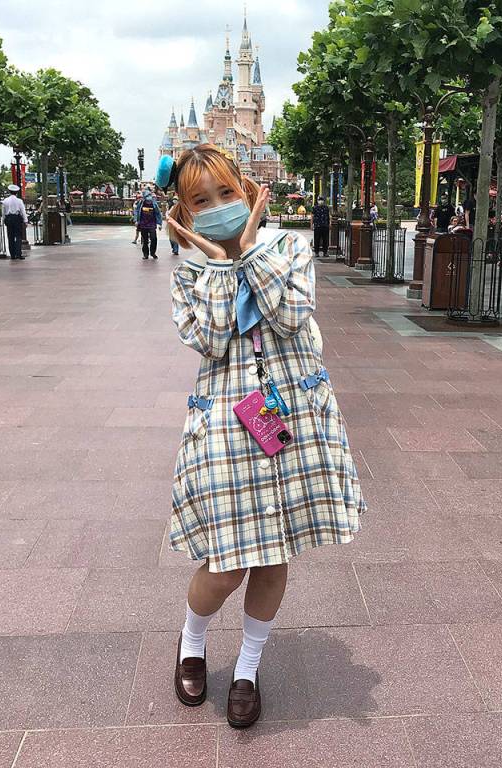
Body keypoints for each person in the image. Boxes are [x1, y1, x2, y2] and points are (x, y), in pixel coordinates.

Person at [166, 144, 366, 729]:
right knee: (226, 563)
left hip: (292, 420)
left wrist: (249, 251)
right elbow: (213, 338)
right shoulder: (190, 276)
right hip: (227, 425)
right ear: (183, 212)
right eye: (201, 201)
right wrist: (219, 262)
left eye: (227, 193)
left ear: (251, 192)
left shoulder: (290, 248)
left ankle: (249, 668)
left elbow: (290, 315)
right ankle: (192, 641)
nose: (219, 208)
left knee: (275, 553)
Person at [1, 184, 28, 260]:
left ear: (9, 191)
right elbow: (23, 211)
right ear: (16, 192)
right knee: (18, 236)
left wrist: (3, 220)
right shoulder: (19, 201)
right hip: (17, 218)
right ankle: (18, 254)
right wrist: (25, 221)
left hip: (9, 218)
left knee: (10, 237)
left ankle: (12, 254)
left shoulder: (5, 201)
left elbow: (3, 212)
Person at [134, 189, 162, 260]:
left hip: (152, 224)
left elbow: (158, 213)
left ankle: (153, 253)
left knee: (154, 238)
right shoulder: (141, 203)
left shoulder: (154, 203)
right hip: (143, 224)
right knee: (145, 240)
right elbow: (136, 211)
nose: (149, 199)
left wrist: (160, 223)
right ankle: (145, 254)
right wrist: (136, 220)